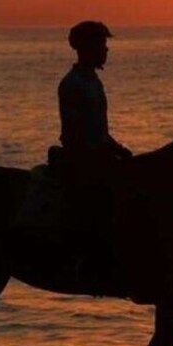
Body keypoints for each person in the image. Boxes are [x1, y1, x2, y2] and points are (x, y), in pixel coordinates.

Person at [55, 21, 131, 260]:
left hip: (99, 156)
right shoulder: (72, 84)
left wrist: (118, 149)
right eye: (102, 44)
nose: (106, 50)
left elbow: (98, 129)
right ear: (87, 48)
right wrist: (101, 155)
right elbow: (74, 133)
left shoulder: (91, 81)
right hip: (85, 161)